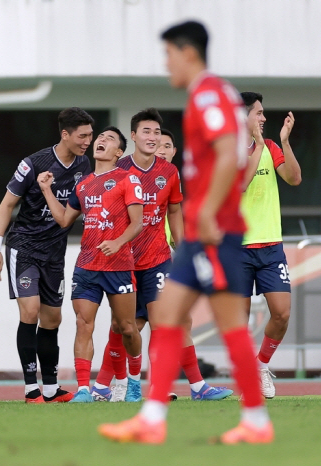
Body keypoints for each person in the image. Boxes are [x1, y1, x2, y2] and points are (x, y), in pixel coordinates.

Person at [99, 21, 273, 445]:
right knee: (171, 318)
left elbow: (226, 148)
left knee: (201, 321)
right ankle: (160, 418)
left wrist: (209, 211)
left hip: (212, 231)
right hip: (209, 231)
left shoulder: (207, 93)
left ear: (187, 52)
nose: (166, 64)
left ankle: (247, 420)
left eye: (168, 55)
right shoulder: (215, 93)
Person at [92, 111, 232, 403]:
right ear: (133, 136)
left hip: (157, 258)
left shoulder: (169, 172)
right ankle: (104, 385)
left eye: (157, 132)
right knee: (124, 326)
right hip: (124, 260)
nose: (153, 137)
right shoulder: (118, 169)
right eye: (146, 132)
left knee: (167, 321)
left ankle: (188, 387)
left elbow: (175, 211)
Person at [0, 108, 93, 403]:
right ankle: (30, 388)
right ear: (65, 134)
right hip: (24, 247)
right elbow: (7, 204)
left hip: (54, 252)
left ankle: (50, 387)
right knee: (30, 311)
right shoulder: (33, 163)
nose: (87, 141)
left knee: (52, 319)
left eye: (90, 135)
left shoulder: (84, 165)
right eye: (82, 135)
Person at [37, 126, 144, 403]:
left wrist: (118, 242)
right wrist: (46, 190)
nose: (101, 141)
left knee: (127, 327)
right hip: (87, 265)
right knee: (83, 323)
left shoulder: (127, 179)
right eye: (100, 138)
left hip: (119, 265)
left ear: (119, 152)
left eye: (109, 140)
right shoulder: (82, 184)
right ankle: (84, 388)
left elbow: (138, 223)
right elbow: (63, 220)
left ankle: (134, 382)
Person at [239, 92, 301, 399]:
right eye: (258, 113)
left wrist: (284, 142)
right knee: (238, 322)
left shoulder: (271, 146)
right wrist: (258, 146)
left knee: (282, 313)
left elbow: (293, 178)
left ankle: (260, 365)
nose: (263, 118)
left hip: (270, 246)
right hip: (235, 247)